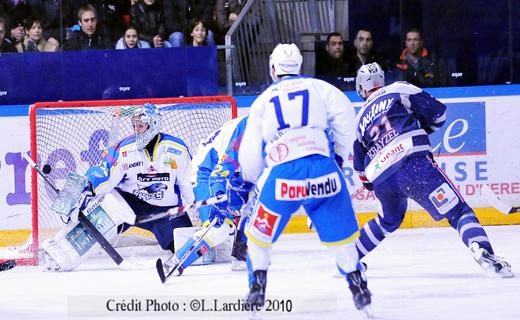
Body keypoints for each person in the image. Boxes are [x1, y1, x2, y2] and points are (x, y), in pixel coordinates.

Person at [238, 43, 372, 315]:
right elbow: (346, 117)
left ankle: (257, 288)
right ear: (300, 67)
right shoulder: (321, 88)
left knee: (257, 237)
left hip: (284, 175)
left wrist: (252, 178)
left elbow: (251, 152)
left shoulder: (263, 99)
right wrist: (337, 156)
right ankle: (359, 288)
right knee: (343, 241)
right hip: (325, 172)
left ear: (273, 69)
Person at [352, 62, 513, 278]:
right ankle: (484, 253)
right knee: (458, 212)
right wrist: (420, 128)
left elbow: (362, 173)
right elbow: (438, 114)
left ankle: (349, 260)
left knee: (387, 220)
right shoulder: (399, 89)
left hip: (382, 178)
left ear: (361, 88)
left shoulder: (359, 119)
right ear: (381, 79)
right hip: (413, 163)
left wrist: (375, 181)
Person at [40, 103, 196, 271]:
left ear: (154, 124)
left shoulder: (177, 149)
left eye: (141, 125)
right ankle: (59, 252)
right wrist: (78, 195)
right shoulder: (125, 149)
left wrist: (200, 211)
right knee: (101, 219)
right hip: (127, 203)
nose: (137, 130)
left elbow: (188, 183)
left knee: (189, 252)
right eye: (135, 125)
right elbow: (102, 176)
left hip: (165, 210)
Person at [159, 114, 252, 276]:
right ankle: (175, 263)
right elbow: (221, 170)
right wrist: (219, 198)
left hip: (233, 173)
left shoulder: (267, 123)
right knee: (218, 228)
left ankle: (240, 249)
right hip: (207, 172)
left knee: (256, 203)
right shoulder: (248, 127)